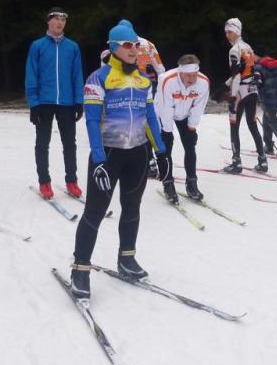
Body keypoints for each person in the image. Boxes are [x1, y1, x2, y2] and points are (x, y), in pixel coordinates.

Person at [70, 19, 167, 299]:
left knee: (132, 207)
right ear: (113, 47)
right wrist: (99, 159)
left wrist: (160, 151)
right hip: (109, 154)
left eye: (137, 45)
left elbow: (150, 117)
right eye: (128, 45)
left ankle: (127, 258)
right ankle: (80, 269)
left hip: (136, 153)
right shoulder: (98, 78)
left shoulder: (142, 78)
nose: (134, 49)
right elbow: (91, 120)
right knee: (95, 212)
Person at [25, 7, 84, 200]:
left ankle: (71, 180)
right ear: (49, 21)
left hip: (67, 103)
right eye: (56, 19)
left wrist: (78, 101)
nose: (60, 23)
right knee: (42, 143)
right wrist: (34, 103)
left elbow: (77, 75)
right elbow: (31, 75)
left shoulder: (72, 47)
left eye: (63, 20)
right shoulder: (38, 46)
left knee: (70, 144)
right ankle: (44, 181)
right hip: (44, 102)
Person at [99, 20, 165, 179]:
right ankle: (150, 160)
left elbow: (104, 72)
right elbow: (161, 69)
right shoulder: (149, 44)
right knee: (146, 122)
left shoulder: (113, 47)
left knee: (132, 123)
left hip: (124, 87)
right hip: (148, 86)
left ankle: (144, 161)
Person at [154, 54, 210, 204]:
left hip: (185, 113)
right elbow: (165, 107)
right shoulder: (167, 80)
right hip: (164, 111)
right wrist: (167, 131)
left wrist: (192, 128)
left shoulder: (203, 82)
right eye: (188, 75)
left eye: (195, 74)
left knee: (190, 146)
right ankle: (168, 184)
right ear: (180, 72)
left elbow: (199, 107)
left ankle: (192, 183)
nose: (192, 79)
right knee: (165, 149)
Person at [222, 17, 267, 173]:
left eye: (229, 32)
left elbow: (237, 76)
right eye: (226, 32)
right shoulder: (248, 47)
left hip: (240, 92)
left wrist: (232, 95)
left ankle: (236, 163)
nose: (227, 35)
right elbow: (248, 70)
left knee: (234, 125)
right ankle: (263, 161)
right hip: (252, 91)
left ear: (236, 31)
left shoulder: (234, 50)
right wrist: (228, 82)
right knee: (252, 125)